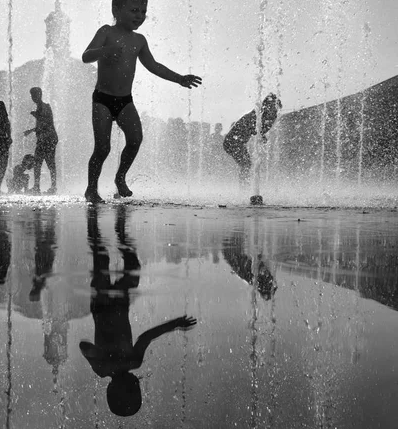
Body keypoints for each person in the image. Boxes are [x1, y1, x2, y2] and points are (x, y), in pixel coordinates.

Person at [82, 0, 202, 203]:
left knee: (136, 139)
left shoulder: (139, 41)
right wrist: (104, 51)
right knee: (102, 147)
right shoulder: (106, 32)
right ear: (116, 10)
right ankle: (91, 189)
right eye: (134, 10)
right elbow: (86, 56)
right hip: (103, 99)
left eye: (143, 11)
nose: (140, 16)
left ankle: (120, 177)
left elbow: (153, 66)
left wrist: (179, 79)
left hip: (125, 101)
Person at [80, 205, 197, 416]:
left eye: (135, 390)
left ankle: (92, 219)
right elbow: (146, 337)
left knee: (102, 258)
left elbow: (83, 346)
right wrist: (175, 324)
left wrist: (101, 357)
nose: (138, 385)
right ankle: (121, 230)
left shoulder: (102, 369)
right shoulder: (134, 361)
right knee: (133, 268)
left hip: (102, 305)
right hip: (121, 304)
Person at [223, 93, 282, 184]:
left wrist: (261, 135)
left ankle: (244, 185)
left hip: (238, 142)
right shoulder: (257, 113)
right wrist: (261, 135)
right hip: (231, 141)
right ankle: (244, 187)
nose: (274, 110)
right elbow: (254, 128)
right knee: (246, 164)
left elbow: (260, 130)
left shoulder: (270, 116)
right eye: (272, 107)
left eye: (275, 108)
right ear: (266, 105)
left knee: (246, 164)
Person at [24, 87, 58, 194]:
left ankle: (50, 187)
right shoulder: (40, 107)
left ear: (40, 95)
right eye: (32, 96)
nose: (33, 98)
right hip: (45, 139)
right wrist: (31, 130)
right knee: (40, 163)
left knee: (47, 163)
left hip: (48, 139)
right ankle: (39, 187)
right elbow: (43, 125)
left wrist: (37, 116)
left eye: (35, 95)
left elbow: (47, 123)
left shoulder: (44, 106)